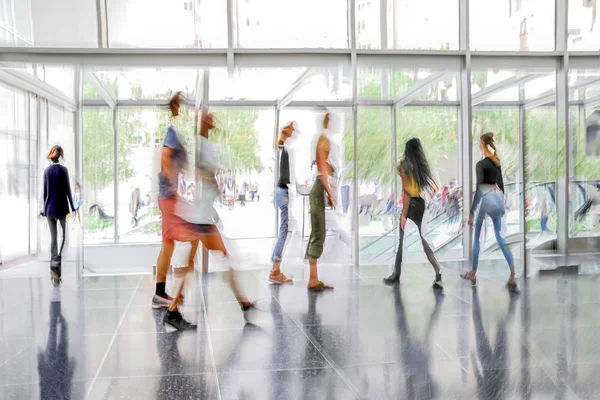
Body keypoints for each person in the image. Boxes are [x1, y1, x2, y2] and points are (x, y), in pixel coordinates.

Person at [153, 93, 254, 330]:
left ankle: (172, 305)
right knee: (207, 259)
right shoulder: (186, 137)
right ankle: (242, 304)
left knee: (188, 260)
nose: (212, 117)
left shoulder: (196, 140)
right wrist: (176, 187)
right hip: (194, 213)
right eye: (208, 116)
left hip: (197, 212)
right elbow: (170, 159)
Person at [383, 138, 443, 289]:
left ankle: (396, 275)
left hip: (410, 205)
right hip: (420, 204)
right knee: (424, 241)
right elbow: (435, 186)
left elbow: (406, 193)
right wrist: (427, 199)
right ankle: (438, 272)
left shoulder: (404, 166)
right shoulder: (422, 166)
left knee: (401, 242)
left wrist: (403, 215)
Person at [462, 132, 517, 292]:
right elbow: (500, 184)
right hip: (497, 199)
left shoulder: (481, 165)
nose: (478, 144)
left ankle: (473, 272)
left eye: (479, 142)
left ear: (482, 144)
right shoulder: (496, 161)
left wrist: (472, 213)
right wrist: (502, 202)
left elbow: (479, 190)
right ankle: (513, 272)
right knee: (499, 236)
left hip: (486, 200)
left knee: (477, 236)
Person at [305, 112, 336, 291]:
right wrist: (330, 193)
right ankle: (313, 280)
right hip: (318, 190)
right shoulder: (323, 140)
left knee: (317, 233)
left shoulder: (322, 139)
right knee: (319, 234)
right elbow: (322, 169)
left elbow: (323, 166)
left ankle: (313, 278)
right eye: (328, 119)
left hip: (318, 190)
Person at [42, 145, 76, 285]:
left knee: (53, 239)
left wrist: (44, 210)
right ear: (60, 155)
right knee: (64, 238)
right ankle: (57, 264)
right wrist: (73, 207)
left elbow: (45, 193)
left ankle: (53, 270)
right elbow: (68, 190)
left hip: (49, 209)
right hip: (62, 209)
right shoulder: (63, 170)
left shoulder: (46, 171)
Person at [269, 122, 298, 284]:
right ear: (287, 130)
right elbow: (283, 172)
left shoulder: (282, 147)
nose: (294, 131)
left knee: (285, 230)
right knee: (284, 231)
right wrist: (285, 191)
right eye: (292, 128)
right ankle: (275, 270)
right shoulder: (283, 148)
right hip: (282, 191)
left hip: (281, 191)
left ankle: (275, 268)